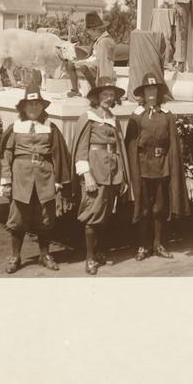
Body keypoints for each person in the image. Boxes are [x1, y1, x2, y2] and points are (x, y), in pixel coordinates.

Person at [0, 82, 75, 274]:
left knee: (45, 218)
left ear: (42, 106)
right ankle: (15, 256)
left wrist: (58, 181)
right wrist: (7, 181)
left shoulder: (50, 128)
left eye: (37, 104)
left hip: (45, 178)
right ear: (23, 107)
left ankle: (45, 255)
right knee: (18, 217)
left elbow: (58, 155)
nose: (33, 107)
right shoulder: (15, 128)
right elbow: (6, 156)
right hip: (21, 179)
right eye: (30, 104)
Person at [124, 72, 191, 261]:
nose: (151, 93)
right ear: (143, 94)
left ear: (158, 92)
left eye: (154, 89)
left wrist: (171, 166)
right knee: (144, 208)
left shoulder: (168, 116)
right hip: (144, 168)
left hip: (162, 167)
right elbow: (131, 146)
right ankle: (142, 246)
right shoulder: (137, 116)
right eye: (148, 90)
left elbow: (172, 144)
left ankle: (157, 244)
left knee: (160, 207)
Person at [71, 76, 130, 275]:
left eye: (111, 95)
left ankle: (99, 252)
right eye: (104, 94)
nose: (108, 98)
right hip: (95, 173)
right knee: (92, 214)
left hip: (112, 173)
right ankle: (89, 257)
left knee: (105, 215)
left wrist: (122, 175)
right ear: (96, 97)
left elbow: (119, 148)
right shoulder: (88, 117)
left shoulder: (113, 118)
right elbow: (81, 149)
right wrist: (86, 175)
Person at [67, 11, 116, 96]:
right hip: (92, 61)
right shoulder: (99, 39)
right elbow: (91, 55)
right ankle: (75, 90)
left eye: (88, 31)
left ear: (94, 30)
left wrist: (104, 83)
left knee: (84, 67)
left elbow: (104, 63)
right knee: (71, 65)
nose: (88, 33)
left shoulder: (105, 41)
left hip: (98, 64)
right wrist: (85, 60)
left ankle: (94, 90)